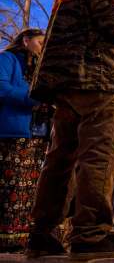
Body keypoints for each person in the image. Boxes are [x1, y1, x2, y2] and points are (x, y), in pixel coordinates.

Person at [26, 0, 114, 259]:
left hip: (65, 84)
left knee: (60, 159)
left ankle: (41, 235)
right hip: (98, 80)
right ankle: (90, 237)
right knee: (100, 156)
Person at [0, 29, 49, 252]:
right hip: (13, 131)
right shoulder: (8, 59)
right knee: (10, 186)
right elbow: (2, 88)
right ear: (26, 40)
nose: (42, 46)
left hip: (37, 134)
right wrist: (33, 99)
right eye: (39, 42)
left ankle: (20, 238)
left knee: (28, 189)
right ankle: (5, 238)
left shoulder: (40, 67)